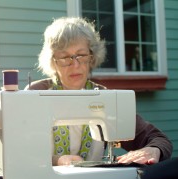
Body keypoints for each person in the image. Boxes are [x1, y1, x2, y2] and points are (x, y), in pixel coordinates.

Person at [25, 17, 172, 166]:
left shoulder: (104, 97)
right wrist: (57, 161)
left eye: (81, 55)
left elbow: (159, 140)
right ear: (53, 61)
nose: (75, 65)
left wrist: (152, 150)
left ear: (91, 57)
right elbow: (22, 150)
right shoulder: (36, 94)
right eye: (65, 57)